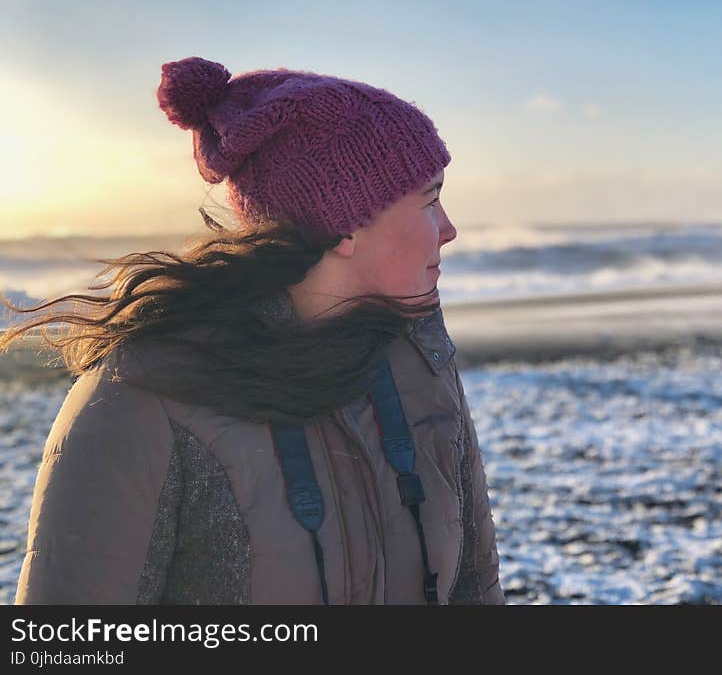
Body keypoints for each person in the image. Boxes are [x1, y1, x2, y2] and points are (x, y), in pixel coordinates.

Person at [6, 56, 505, 605]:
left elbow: (474, 591)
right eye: (430, 200)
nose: (449, 229)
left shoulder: (419, 361)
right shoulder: (140, 400)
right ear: (345, 225)